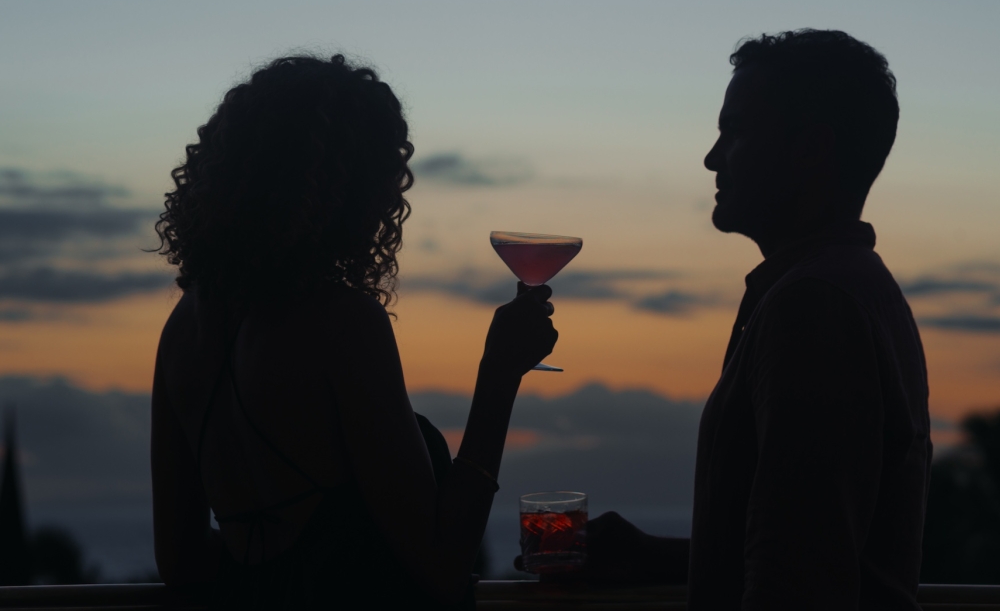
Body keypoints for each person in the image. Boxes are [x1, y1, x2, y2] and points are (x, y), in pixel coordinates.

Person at [150, 55, 558, 610]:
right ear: (341, 188)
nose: (390, 202)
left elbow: (182, 564)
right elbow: (441, 565)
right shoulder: (340, 323)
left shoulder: (182, 330)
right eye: (383, 177)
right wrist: (501, 372)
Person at [581, 30, 931, 609]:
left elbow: (800, 582)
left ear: (811, 149)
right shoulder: (855, 286)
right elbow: (818, 538)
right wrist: (657, 556)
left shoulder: (814, 305)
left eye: (736, 131)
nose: (713, 157)